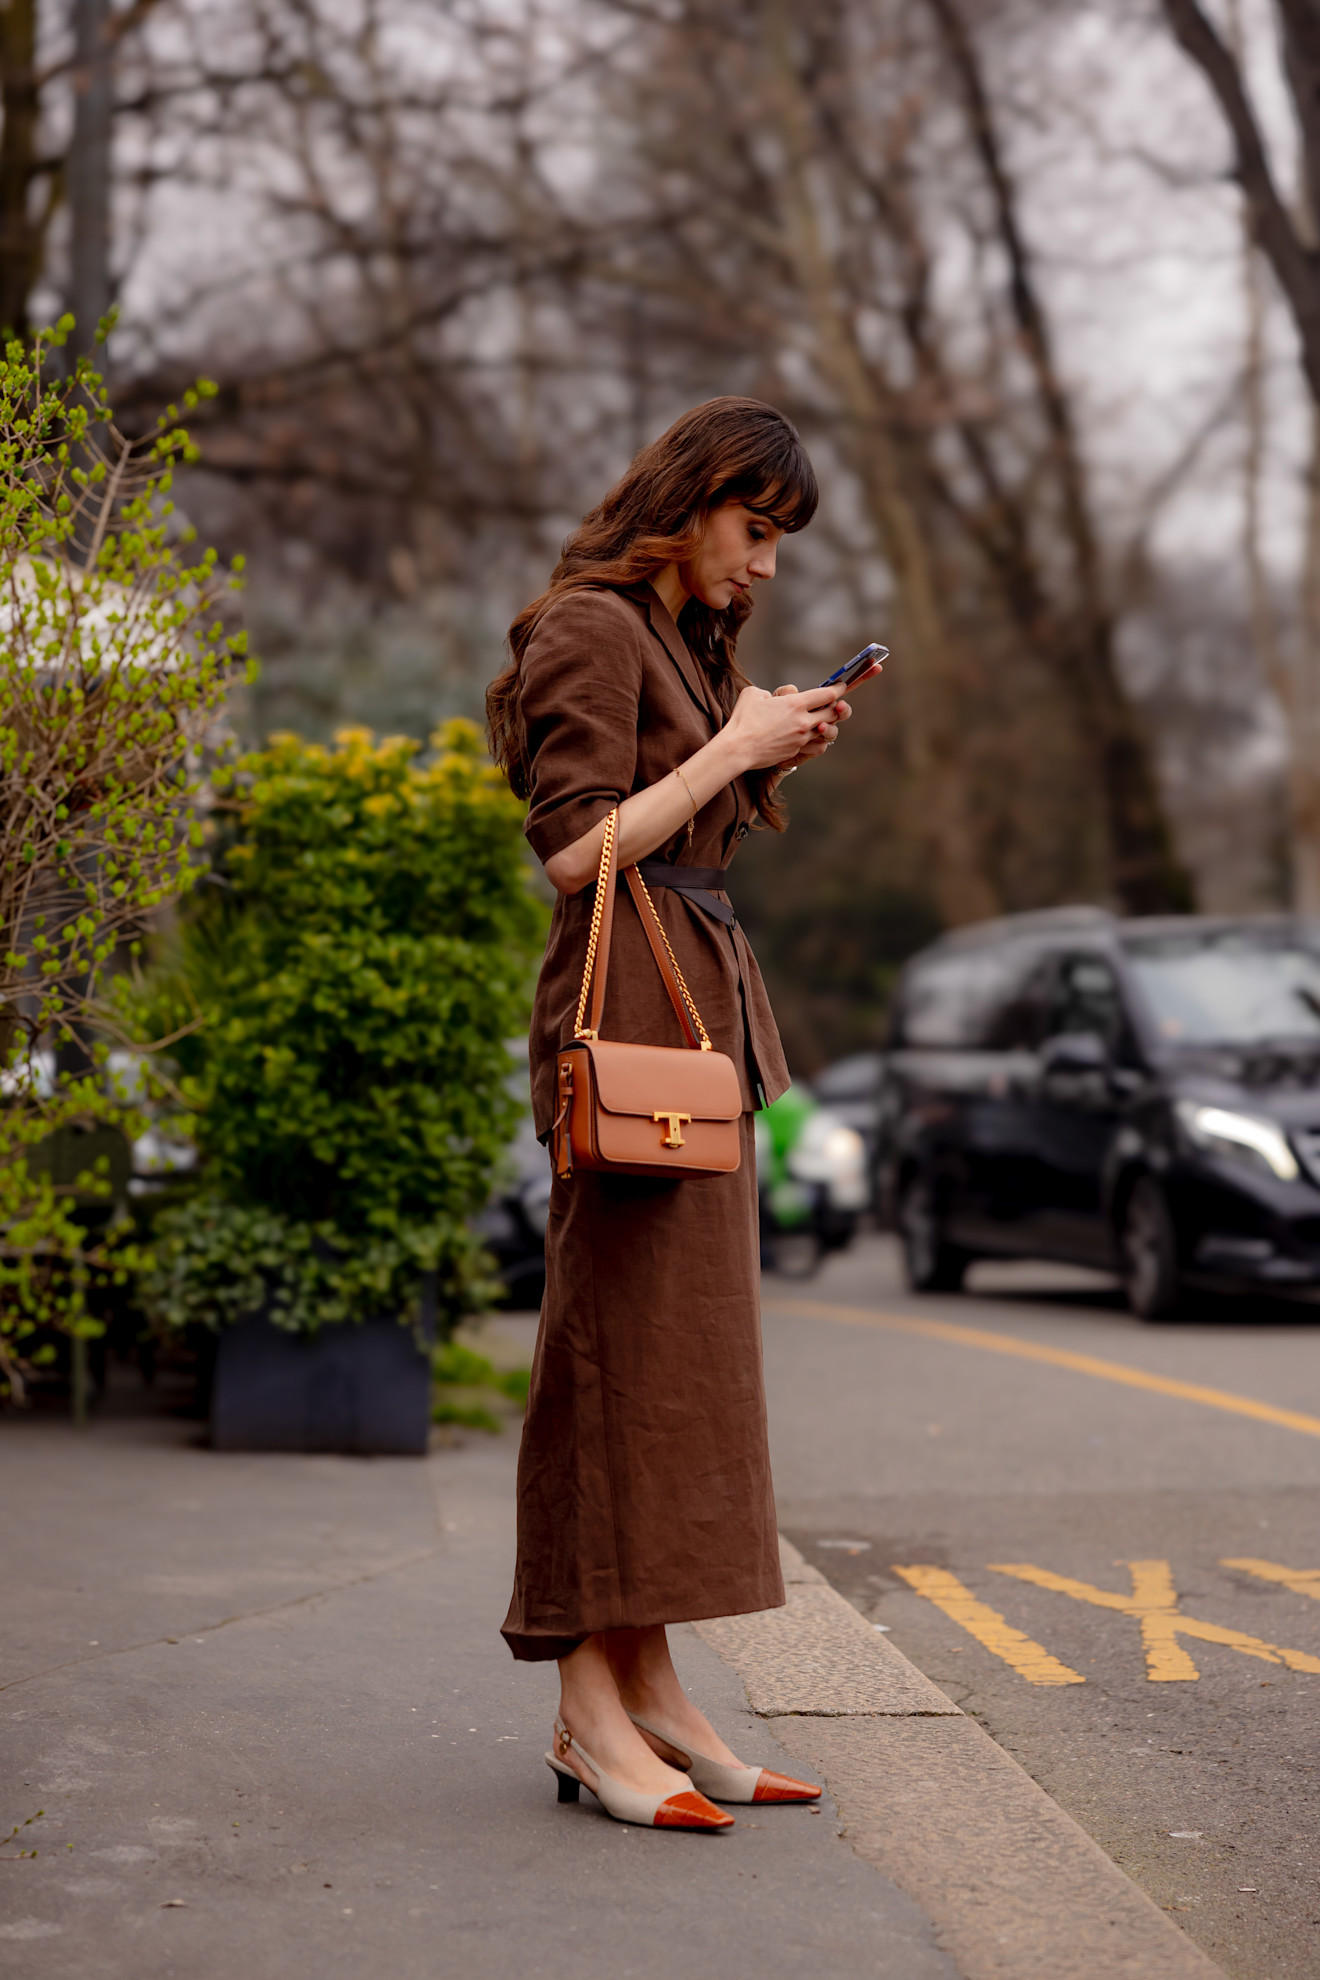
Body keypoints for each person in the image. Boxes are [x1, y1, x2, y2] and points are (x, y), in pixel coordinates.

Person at [486, 396, 879, 1832]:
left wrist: (760, 751)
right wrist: (726, 752)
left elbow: (681, 831)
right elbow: (574, 853)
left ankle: (648, 1689)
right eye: (755, 529)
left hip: (692, 1023)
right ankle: (590, 1712)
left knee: (675, 1377)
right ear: (692, 497)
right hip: (627, 1031)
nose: (767, 568)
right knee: (613, 1360)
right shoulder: (590, 625)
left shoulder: (678, 643)